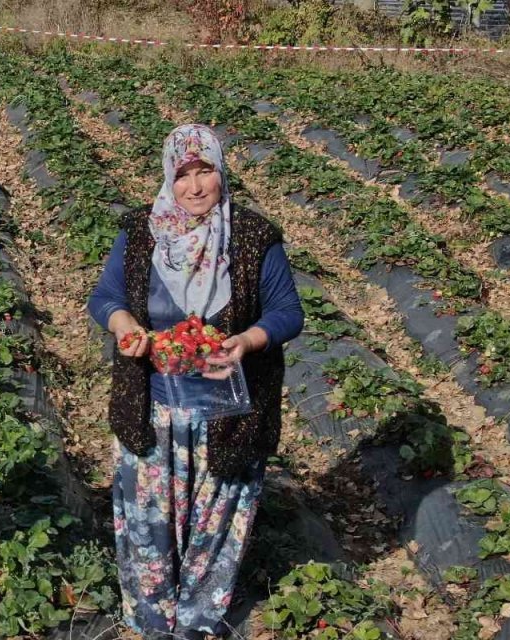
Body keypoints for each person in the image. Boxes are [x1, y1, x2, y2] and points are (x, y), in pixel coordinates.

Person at [87, 124, 303, 638]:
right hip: (152, 405)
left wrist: (246, 340)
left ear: (221, 172)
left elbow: (287, 312)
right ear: (169, 177)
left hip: (227, 410)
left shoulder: (252, 236)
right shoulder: (141, 232)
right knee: (149, 522)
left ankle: (196, 625)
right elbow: (105, 298)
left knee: (215, 525)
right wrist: (125, 325)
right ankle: (152, 622)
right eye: (183, 175)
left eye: (204, 171)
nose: (195, 186)